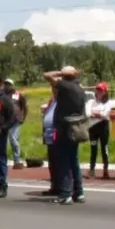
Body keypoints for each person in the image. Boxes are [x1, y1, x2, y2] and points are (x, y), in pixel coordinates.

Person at [44, 66, 86, 204]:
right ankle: (78, 192)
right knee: (74, 161)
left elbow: (47, 75)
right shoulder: (79, 88)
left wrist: (61, 73)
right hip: (76, 128)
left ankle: (65, 193)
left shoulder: (65, 86)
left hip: (64, 128)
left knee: (64, 161)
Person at [86, 83, 112, 179]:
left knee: (104, 149)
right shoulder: (90, 102)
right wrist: (99, 113)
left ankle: (106, 170)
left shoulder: (108, 103)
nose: (99, 92)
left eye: (101, 90)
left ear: (105, 92)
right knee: (93, 149)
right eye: (97, 90)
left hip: (103, 128)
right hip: (92, 128)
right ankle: (92, 169)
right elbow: (87, 113)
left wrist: (96, 113)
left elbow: (105, 114)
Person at [3, 79, 28, 169]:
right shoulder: (2, 95)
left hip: (15, 121)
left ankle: (16, 160)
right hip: (4, 121)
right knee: (4, 142)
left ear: (12, 85)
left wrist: (23, 118)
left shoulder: (18, 94)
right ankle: (3, 160)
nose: (7, 86)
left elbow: (24, 106)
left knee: (13, 140)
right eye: (6, 84)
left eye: (9, 84)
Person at [41, 87, 61, 197]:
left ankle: (61, 186)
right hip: (49, 135)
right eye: (53, 88)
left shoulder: (63, 101)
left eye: (56, 88)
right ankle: (54, 186)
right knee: (52, 163)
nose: (54, 90)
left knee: (59, 163)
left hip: (57, 135)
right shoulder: (52, 100)